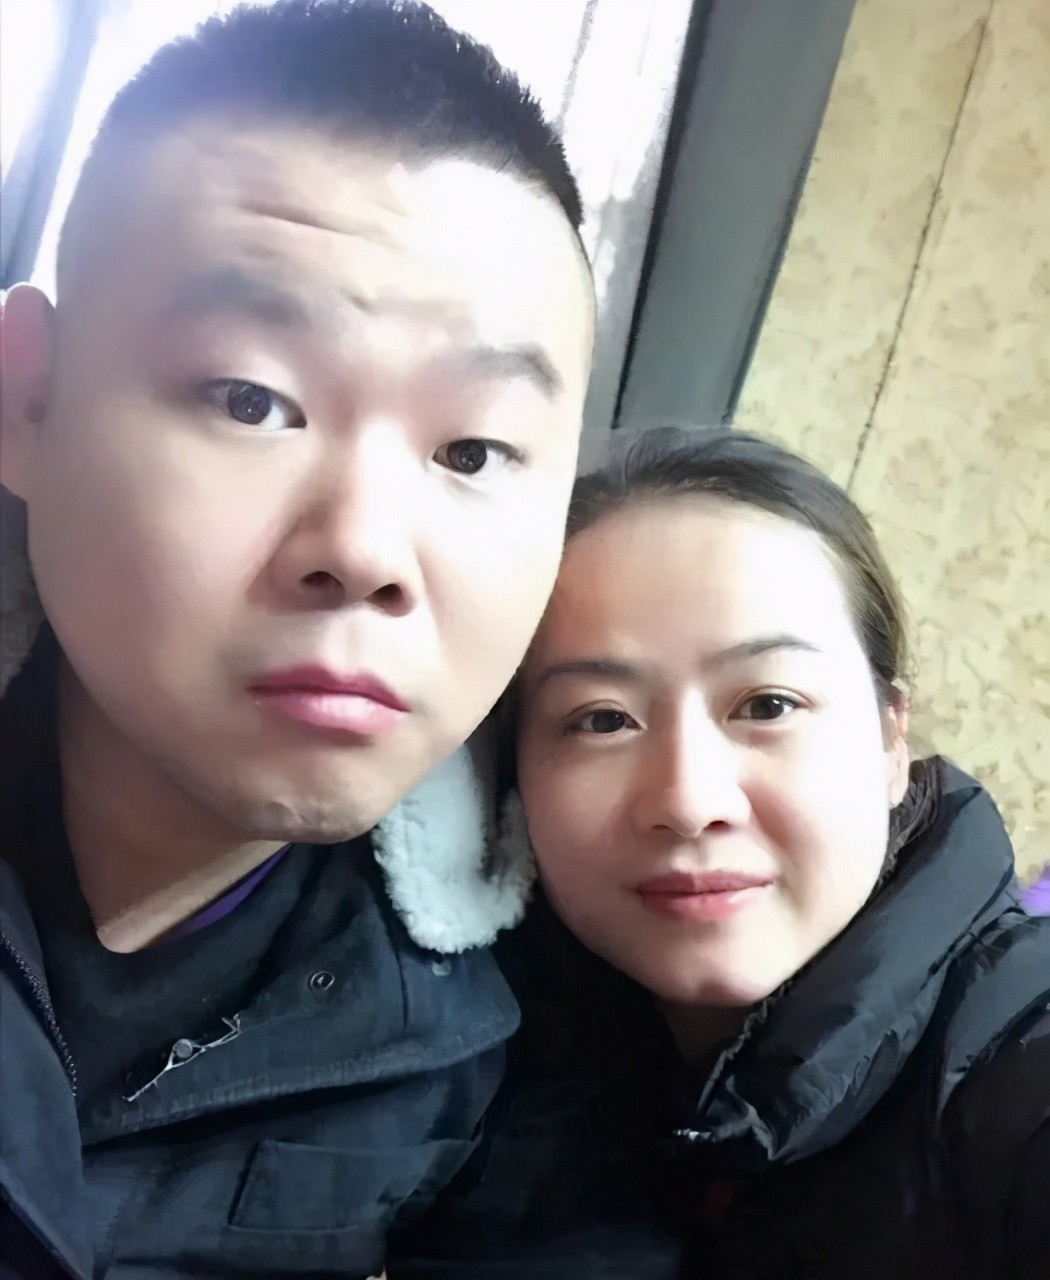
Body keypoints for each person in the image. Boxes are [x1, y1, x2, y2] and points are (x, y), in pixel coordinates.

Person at [0, 2, 594, 1276]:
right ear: (27, 399)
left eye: (473, 450)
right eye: (251, 398)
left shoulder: (539, 1020)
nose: (365, 549)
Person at [396, 428, 1050, 1280]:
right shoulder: (458, 1053)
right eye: (602, 719)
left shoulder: (1016, 1064)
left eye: (768, 705)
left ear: (892, 741)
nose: (687, 800)